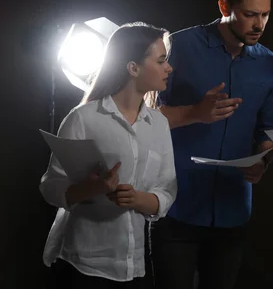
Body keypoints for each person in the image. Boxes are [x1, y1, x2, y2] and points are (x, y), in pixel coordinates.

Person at [151, 0, 273, 289]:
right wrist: (195, 112)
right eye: (250, 14)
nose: (259, 24)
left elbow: (267, 132)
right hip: (174, 206)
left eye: (265, 14)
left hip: (232, 211)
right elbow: (142, 117)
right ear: (224, 7)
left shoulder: (269, 63)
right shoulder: (177, 46)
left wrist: (263, 162)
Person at [40, 22, 178, 289]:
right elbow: (50, 187)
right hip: (82, 266)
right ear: (133, 68)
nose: (168, 68)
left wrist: (138, 199)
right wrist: (90, 188)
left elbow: (167, 191)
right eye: (161, 61)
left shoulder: (158, 124)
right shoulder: (83, 118)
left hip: (134, 266)